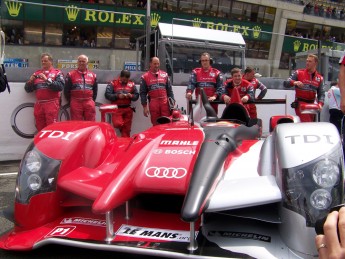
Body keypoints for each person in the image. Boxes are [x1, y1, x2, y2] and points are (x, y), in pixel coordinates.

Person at [24, 53, 64, 131]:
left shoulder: (57, 73)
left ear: (51, 62)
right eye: (42, 61)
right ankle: (42, 142)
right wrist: (30, 81)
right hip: (39, 104)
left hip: (52, 103)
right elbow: (27, 89)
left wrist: (46, 80)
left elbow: (60, 86)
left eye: (45, 61)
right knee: (40, 126)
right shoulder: (37, 73)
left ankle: (51, 143)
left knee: (51, 127)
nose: (43, 63)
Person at [283, 54, 325, 122]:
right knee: (307, 124)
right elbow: (285, 83)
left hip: (312, 106)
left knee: (310, 126)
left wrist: (320, 104)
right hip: (300, 104)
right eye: (307, 61)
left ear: (315, 63)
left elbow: (321, 94)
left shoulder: (320, 78)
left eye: (310, 61)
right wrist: (294, 82)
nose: (307, 63)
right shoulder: (298, 72)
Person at [140, 56, 175, 125]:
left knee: (167, 124)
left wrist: (172, 101)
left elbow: (170, 91)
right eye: (155, 64)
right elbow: (142, 93)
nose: (157, 65)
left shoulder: (165, 75)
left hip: (165, 103)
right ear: (150, 64)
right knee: (156, 124)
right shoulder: (145, 77)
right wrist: (144, 106)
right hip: (153, 103)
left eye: (158, 64)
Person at [105, 70, 139, 137]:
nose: (125, 81)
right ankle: (122, 129)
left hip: (128, 109)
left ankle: (125, 143)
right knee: (117, 124)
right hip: (117, 109)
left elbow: (136, 96)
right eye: (123, 79)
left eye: (127, 79)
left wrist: (131, 96)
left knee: (126, 130)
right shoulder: (113, 83)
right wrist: (117, 96)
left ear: (128, 78)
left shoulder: (132, 84)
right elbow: (107, 95)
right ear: (120, 77)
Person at [64, 54, 98, 121]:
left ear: (87, 63)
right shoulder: (71, 74)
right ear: (77, 62)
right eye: (79, 61)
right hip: (76, 102)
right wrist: (72, 101)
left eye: (83, 61)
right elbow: (66, 91)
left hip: (89, 102)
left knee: (90, 123)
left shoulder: (93, 75)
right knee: (76, 124)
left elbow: (95, 90)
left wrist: (91, 101)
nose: (81, 63)